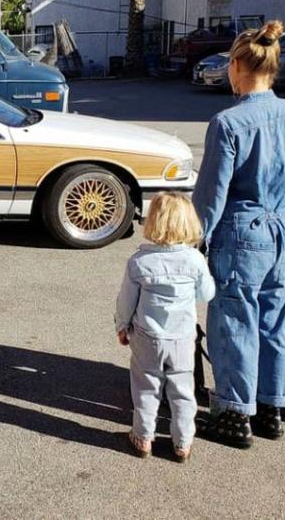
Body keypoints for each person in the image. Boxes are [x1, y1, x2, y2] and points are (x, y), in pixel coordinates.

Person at [191, 20, 285, 448]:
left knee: (235, 323)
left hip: (240, 234)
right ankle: (271, 407)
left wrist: (194, 240)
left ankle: (234, 414)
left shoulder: (227, 122)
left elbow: (212, 194)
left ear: (239, 65)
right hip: (279, 229)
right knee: (274, 322)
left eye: (228, 66)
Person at [114, 192, 215, 462]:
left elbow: (126, 300)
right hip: (181, 336)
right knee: (182, 391)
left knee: (146, 387)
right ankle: (182, 443)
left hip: (147, 335)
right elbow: (207, 293)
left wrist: (122, 325)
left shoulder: (139, 262)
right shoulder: (194, 260)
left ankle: (143, 437)